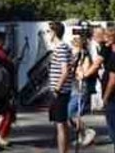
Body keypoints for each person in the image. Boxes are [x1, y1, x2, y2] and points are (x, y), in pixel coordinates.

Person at [44, 22, 74, 153]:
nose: (47, 34)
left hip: (60, 92)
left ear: (54, 33)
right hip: (62, 90)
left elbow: (65, 70)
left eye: (48, 31)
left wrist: (57, 88)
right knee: (62, 123)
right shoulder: (62, 47)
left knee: (60, 125)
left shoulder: (61, 47)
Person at [69, 28, 98, 150]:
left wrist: (76, 71)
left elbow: (84, 73)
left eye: (76, 39)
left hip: (81, 88)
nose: (73, 40)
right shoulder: (74, 55)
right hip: (73, 87)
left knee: (70, 113)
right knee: (73, 115)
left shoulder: (84, 55)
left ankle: (87, 131)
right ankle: (82, 135)